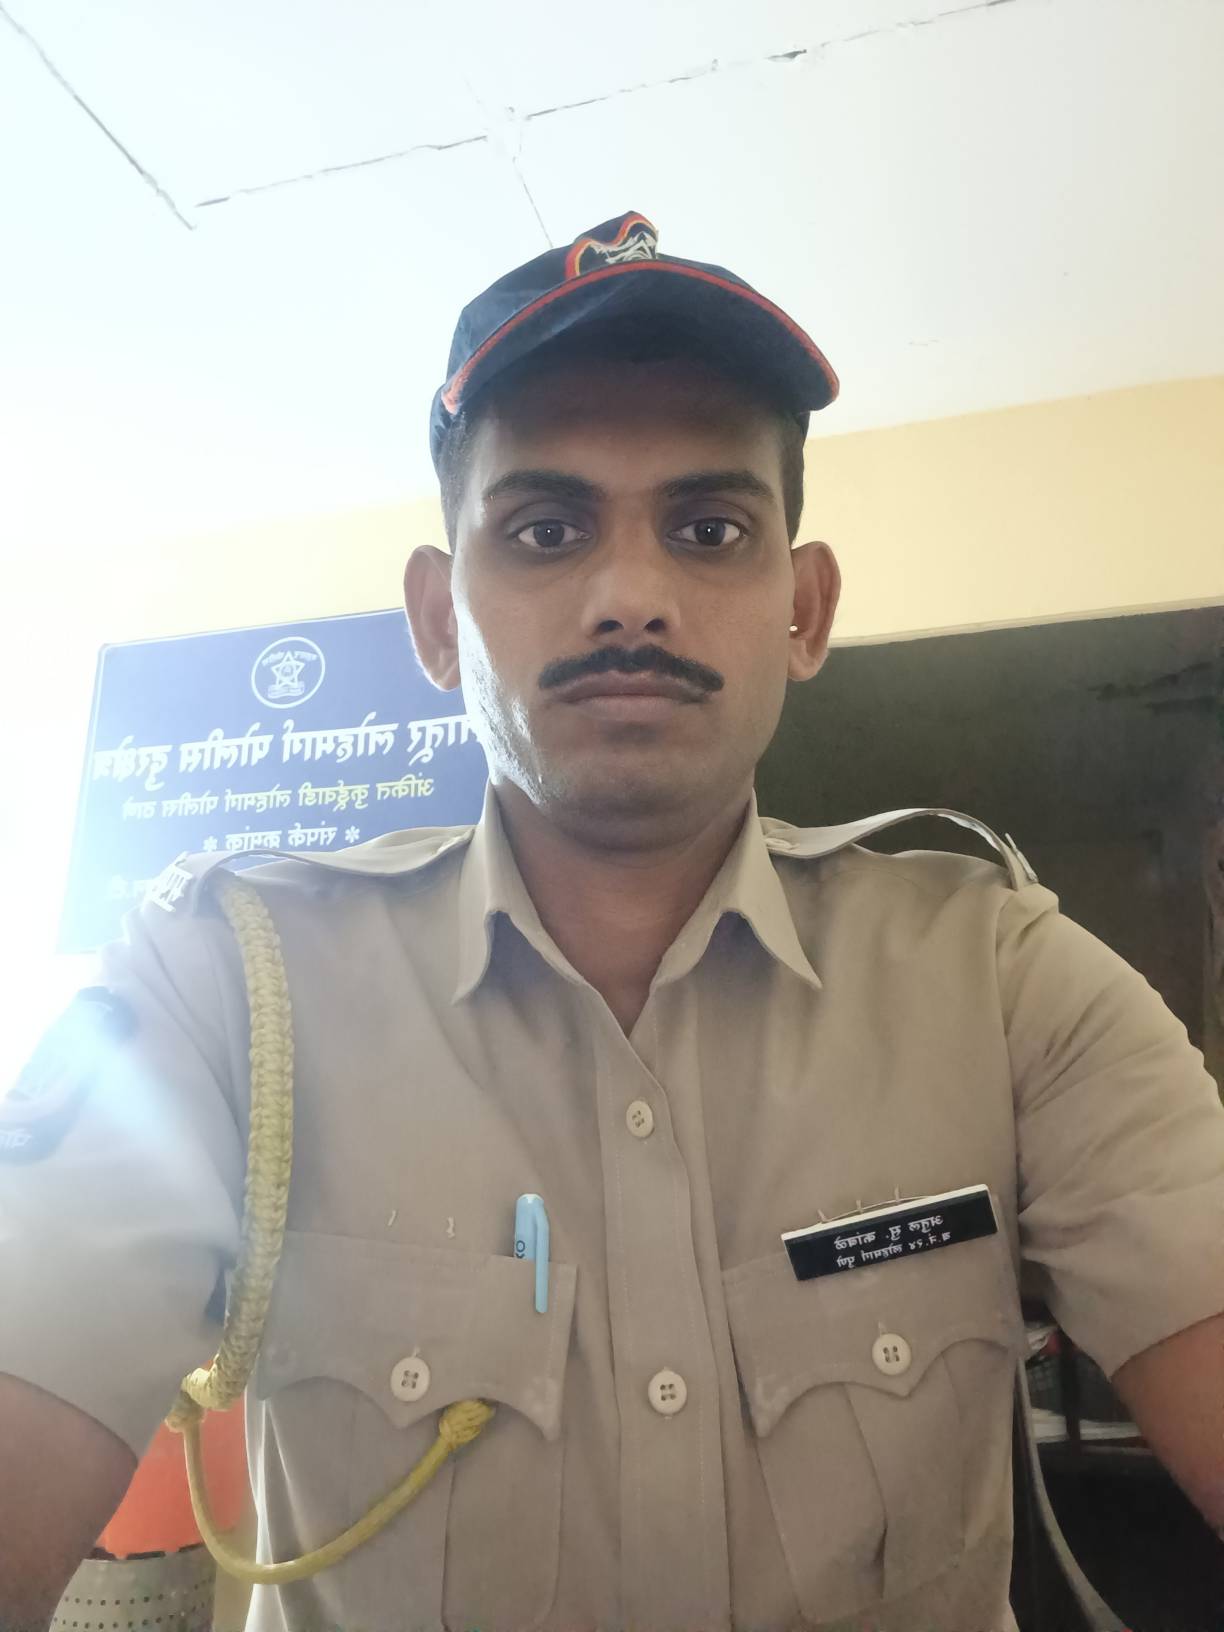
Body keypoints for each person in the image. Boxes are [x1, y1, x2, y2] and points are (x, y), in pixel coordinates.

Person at [2, 208, 1222, 1632]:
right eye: (545, 529)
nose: (631, 596)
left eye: (710, 530)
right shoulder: (222, 989)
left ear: (804, 610)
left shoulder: (1006, 984)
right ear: (439, 619)